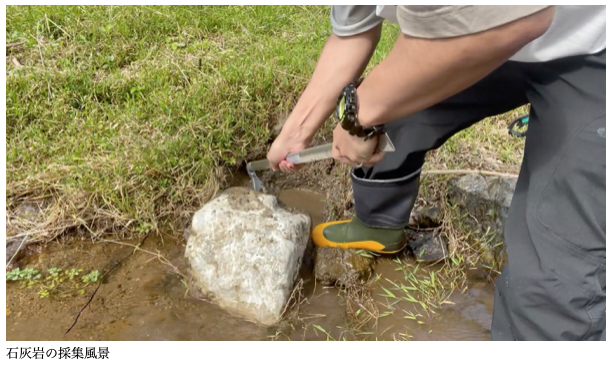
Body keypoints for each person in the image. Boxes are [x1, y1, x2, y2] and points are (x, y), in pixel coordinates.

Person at [267, 6, 605, 341]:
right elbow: (352, 32)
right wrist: (297, 131)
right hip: (490, 31)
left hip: (594, 48)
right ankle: (378, 225)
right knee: (395, 107)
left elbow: (516, 18)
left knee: (555, 291)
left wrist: (360, 114)